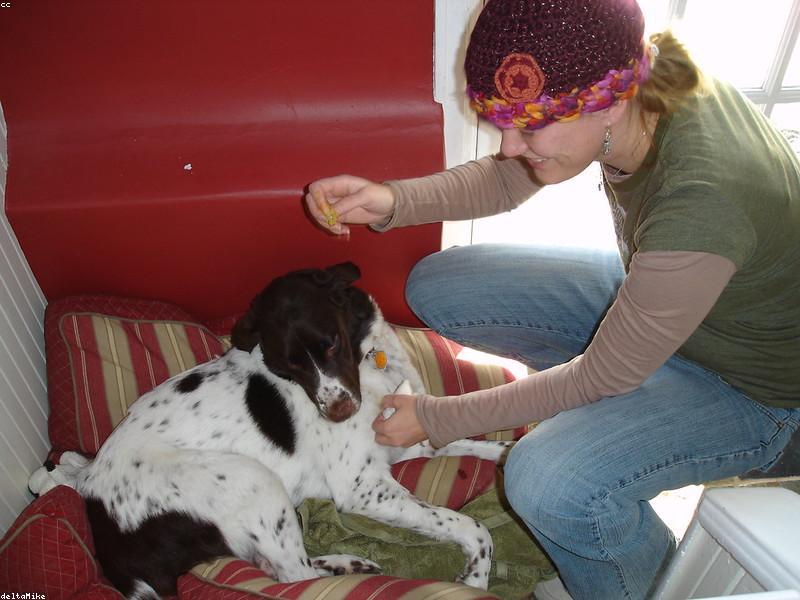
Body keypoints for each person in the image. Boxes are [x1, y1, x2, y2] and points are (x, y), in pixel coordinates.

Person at [304, 0, 800, 598]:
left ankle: (639, 582)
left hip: (758, 387)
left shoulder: (706, 194)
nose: (510, 146)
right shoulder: (641, 65)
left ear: (611, 101)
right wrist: (392, 200)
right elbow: (519, 173)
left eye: (531, 125)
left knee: (547, 480)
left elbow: (607, 372)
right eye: (503, 123)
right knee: (440, 286)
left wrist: (435, 420)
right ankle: (603, 439)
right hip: (682, 304)